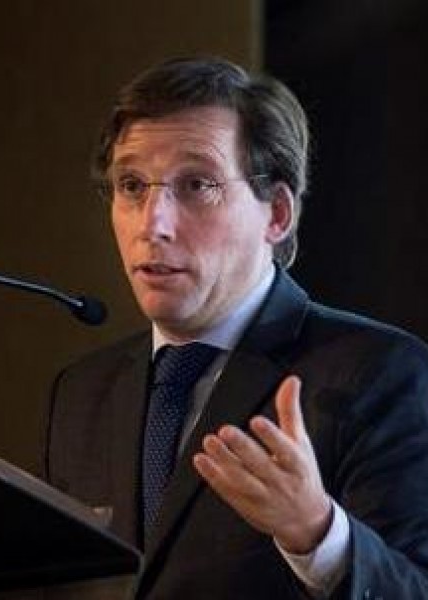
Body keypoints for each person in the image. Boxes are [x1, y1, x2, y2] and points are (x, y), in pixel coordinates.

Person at [43, 56, 428, 599]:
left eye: (197, 184)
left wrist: (319, 536)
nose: (152, 223)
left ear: (276, 214)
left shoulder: (377, 374)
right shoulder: (83, 392)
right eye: (132, 185)